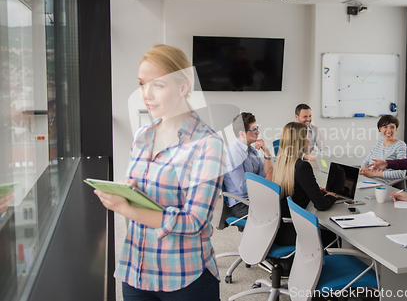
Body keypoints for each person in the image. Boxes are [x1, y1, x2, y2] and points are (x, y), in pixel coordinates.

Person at [94, 45, 224, 300]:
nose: (146, 94)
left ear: (183, 87)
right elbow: (150, 189)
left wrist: (126, 208)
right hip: (137, 269)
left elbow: (194, 221)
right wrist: (131, 189)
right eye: (142, 84)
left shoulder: (208, 144)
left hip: (185, 276)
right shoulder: (143, 135)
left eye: (158, 85)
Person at [273, 122, 337, 246]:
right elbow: (321, 205)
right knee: (332, 234)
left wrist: (315, 190)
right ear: (300, 141)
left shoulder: (281, 162)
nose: (309, 141)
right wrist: (331, 196)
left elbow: (294, 188)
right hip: (294, 232)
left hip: (279, 230)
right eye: (307, 137)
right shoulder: (302, 166)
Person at [223, 112, 273, 218]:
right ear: (242, 134)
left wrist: (267, 153)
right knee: (273, 216)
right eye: (254, 130)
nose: (258, 132)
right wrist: (266, 181)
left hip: (255, 197)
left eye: (257, 128)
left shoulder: (250, 150)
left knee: (283, 205)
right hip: (241, 204)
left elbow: (265, 173)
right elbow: (243, 188)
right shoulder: (234, 153)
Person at [360, 115, 407, 183]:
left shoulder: (400, 145)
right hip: (366, 179)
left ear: (396, 129)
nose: (388, 131)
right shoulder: (378, 143)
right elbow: (366, 162)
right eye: (385, 127)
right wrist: (364, 169)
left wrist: (373, 174)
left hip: (379, 183)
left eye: (392, 127)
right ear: (380, 129)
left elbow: (401, 173)